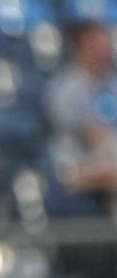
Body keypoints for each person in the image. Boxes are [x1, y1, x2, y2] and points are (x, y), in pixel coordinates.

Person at [45, 19, 117, 218]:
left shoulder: (112, 84)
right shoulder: (66, 89)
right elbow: (91, 134)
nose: (105, 46)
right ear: (83, 44)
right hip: (80, 159)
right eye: (98, 40)